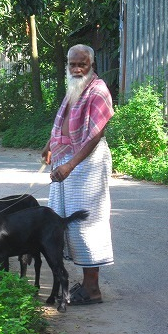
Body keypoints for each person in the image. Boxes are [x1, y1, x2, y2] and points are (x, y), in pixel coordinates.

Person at [41, 44, 114, 306]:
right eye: (72, 64)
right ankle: (84, 284)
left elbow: (95, 136)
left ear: (91, 64)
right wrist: (51, 144)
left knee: (86, 224)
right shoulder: (75, 86)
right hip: (67, 161)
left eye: (81, 64)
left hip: (87, 165)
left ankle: (92, 289)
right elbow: (63, 121)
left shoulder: (98, 90)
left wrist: (70, 165)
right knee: (63, 222)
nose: (76, 68)